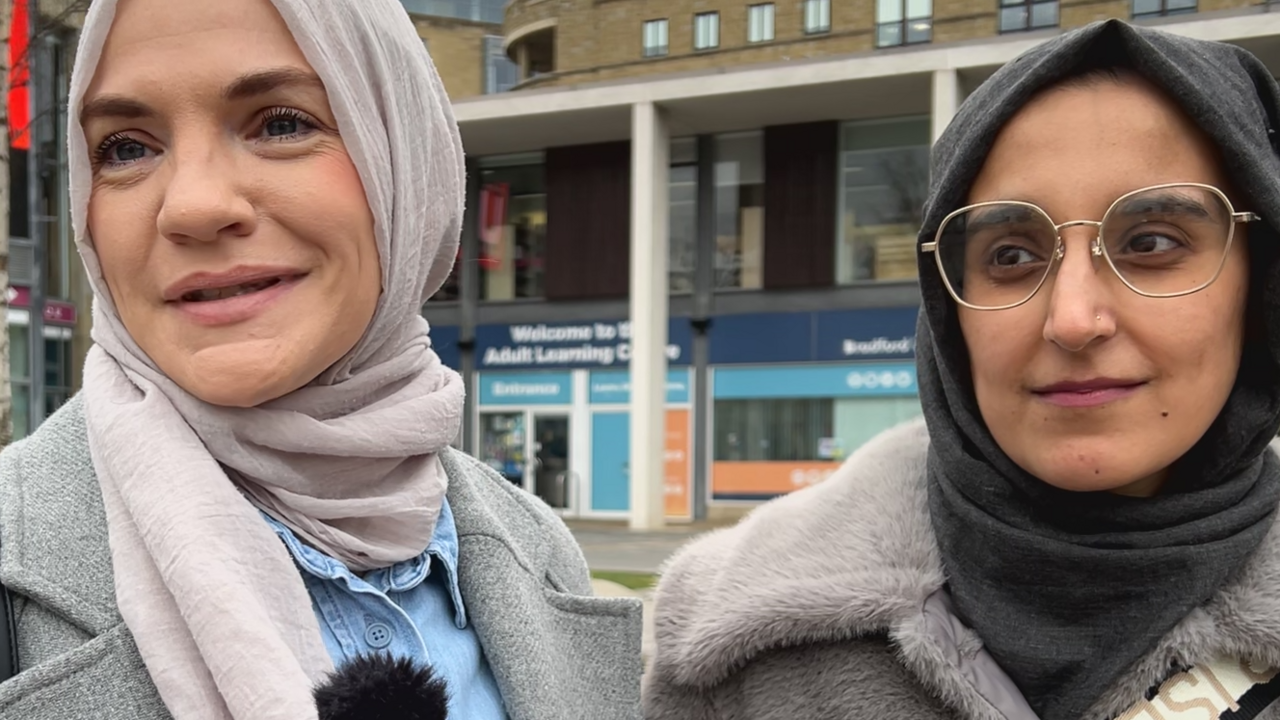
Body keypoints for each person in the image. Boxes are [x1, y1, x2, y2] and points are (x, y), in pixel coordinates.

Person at [0, 0, 643, 718]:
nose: (192, 206)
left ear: (406, 161)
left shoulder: (538, 544)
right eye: (126, 147)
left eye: (280, 123)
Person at [644, 19, 1280, 720]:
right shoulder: (722, 637)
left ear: (1261, 284)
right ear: (948, 311)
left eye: (1152, 242)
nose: (1071, 319)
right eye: (1010, 255)